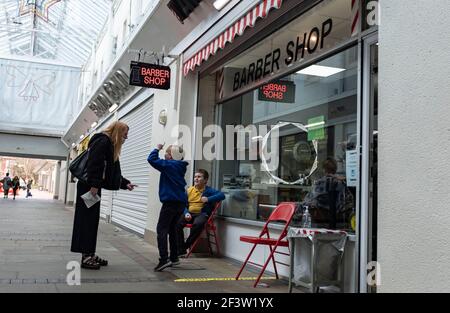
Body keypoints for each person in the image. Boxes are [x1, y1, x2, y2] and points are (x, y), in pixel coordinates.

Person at [71, 121, 137, 270]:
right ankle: (86, 257)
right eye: (125, 134)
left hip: (93, 186)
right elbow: (95, 164)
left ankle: (90, 253)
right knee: (86, 222)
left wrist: (124, 183)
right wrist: (94, 186)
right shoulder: (102, 141)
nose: (126, 137)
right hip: (89, 187)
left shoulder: (108, 143)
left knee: (92, 222)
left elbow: (110, 170)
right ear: (118, 131)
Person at [147, 143, 188, 272]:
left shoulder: (169, 165)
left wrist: (157, 148)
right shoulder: (180, 166)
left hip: (170, 203)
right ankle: (174, 257)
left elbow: (151, 159)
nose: (165, 154)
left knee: (162, 229)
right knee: (172, 229)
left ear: (172, 156)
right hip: (180, 203)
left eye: (167, 153)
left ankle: (164, 259)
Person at [176, 169, 225, 257]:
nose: (196, 179)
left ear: (205, 180)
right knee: (177, 224)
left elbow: (222, 195)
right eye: (195, 177)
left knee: (198, 224)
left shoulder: (208, 190)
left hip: (202, 214)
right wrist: (186, 212)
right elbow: (183, 204)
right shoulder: (189, 190)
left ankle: (184, 247)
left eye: (199, 177)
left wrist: (208, 199)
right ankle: (181, 248)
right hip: (189, 214)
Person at [300, 157, 354, 229]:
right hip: (339, 224)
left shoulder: (319, 183)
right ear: (335, 169)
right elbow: (349, 203)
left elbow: (307, 203)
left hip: (319, 223)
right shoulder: (341, 184)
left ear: (324, 169)